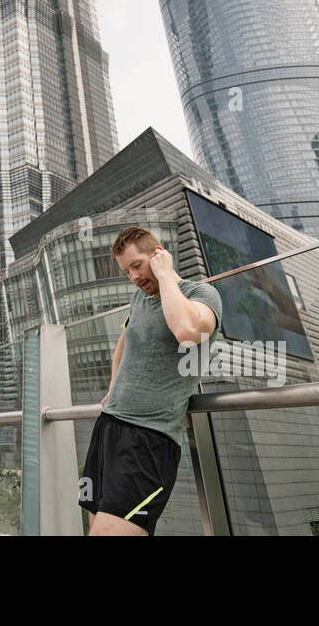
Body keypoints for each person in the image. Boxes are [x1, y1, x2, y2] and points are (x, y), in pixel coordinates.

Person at [78, 226, 221, 536]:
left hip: (149, 438)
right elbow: (124, 341)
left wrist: (166, 275)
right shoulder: (139, 298)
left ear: (158, 256)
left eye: (137, 265)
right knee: (93, 527)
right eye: (126, 270)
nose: (133, 276)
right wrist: (113, 389)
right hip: (109, 428)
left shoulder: (202, 294)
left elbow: (187, 332)